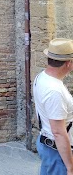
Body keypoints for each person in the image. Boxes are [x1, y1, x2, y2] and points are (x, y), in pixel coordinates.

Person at [33, 38, 73, 175]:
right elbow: (58, 132)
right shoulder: (54, 90)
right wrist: (70, 167)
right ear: (68, 63)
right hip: (57, 152)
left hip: (47, 144)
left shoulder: (41, 77)